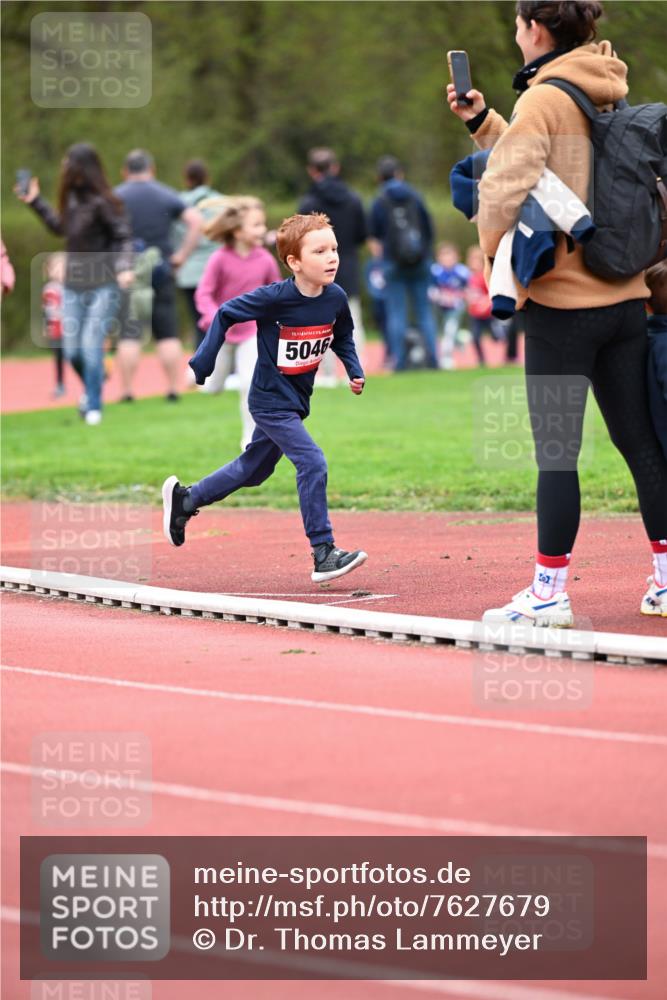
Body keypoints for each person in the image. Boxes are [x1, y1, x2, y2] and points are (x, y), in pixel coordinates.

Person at [447, 0, 667, 623]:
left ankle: (548, 593)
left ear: (535, 29)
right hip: (625, 299)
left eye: (517, 25)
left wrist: (497, 258)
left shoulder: (543, 98)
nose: (516, 34)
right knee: (641, 445)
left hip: (561, 308)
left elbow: (506, 186)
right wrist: (483, 121)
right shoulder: (608, 85)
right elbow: (560, 170)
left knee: (556, 454)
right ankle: (664, 581)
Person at [162, 213, 368, 584]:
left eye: (334, 249)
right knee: (312, 462)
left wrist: (353, 369)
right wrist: (204, 362)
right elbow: (225, 313)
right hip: (270, 401)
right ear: (294, 262)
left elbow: (343, 337)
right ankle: (323, 553)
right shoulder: (275, 299)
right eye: (319, 251)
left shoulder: (335, 298)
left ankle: (186, 501)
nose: (332, 257)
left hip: (297, 402)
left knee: (253, 470)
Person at [15, 143, 133, 425]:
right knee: (72, 352)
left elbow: (123, 237)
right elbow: (60, 228)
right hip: (72, 285)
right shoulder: (71, 200)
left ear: (83, 167)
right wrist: (35, 201)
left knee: (92, 345)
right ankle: (94, 383)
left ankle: (93, 406)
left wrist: (124, 267)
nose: (63, 167)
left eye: (68, 162)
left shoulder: (104, 202)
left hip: (104, 283)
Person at [114, 149, 202, 402]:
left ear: (125, 171)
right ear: (151, 169)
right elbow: (195, 221)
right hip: (161, 268)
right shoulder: (165, 193)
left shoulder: (116, 197)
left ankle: (127, 391)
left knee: (129, 332)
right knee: (167, 332)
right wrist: (181, 256)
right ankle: (173, 389)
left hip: (128, 270)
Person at [194, 196, 281, 449]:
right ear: (238, 230)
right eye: (256, 225)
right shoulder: (219, 259)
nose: (262, 231)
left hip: (251, 333)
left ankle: (249, 439)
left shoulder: (265, 259)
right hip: (221, 334)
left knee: (249, 383)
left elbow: (275, 293)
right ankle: (197, 372)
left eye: (263, 225)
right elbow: (204, 294)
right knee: (213, 386)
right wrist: (215, 317)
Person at [298, 147, 367, 384]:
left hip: (317, 266)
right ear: (335, 168)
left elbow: (300, 238)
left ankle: (326, 373)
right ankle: (359, 370)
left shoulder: (308, 202)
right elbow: (362, 234)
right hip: (346, 261)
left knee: (320, 319)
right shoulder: (353, 198)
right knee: (353, 317)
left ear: (311, 171)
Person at [368, 155, 438, 371]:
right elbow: (429, 228)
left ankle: (399, 362)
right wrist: (426, 254)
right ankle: (433, 360)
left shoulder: (379, 201)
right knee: (424, 311)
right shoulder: (415, 196)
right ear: (399, 173)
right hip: (420, 261)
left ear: (379, 178)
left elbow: (373, 237)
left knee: (396, 313)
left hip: (392, 263)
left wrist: (381, 262)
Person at [172, 159, 225, 353]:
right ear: (208, 178)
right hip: (219, 269)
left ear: (187, 179)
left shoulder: (177, 203)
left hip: (189, 271)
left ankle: (200, 365)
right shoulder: (222, 203)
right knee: (221, 318)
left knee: (198, 322)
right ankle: (224, 366)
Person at [429, 243, 470, 369]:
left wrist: (460, 297)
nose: (447, 259)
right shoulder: (435, 271)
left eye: (450, 256)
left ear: (456, 257)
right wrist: (437, 296)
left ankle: (447, 358)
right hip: (438, 308)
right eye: (444, 256)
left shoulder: (462, 272)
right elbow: (429, 289)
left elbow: (469, 290)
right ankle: (461, 339)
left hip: (455, 308)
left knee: (449, 331)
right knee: (438, 331)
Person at [465, 245, 505, 366]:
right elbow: (467, 293)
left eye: (476, 261)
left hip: (488, 314)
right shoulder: (468, 277)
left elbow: (492, 293)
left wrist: (486, 303)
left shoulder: (485, 276)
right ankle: (481, 360)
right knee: (475, 337)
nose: (474, 264)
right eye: (472, 260)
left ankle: (505, 356)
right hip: (475, 315)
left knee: (497, 337)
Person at [42, 253, 66, 398]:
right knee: (59, 357)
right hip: (56, 329)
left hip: (71, 329)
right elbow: (46, 309)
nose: (59, 271)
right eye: (55, 267)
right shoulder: (48, 288)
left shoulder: (72, 287)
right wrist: (46, 325)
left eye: (62, 267)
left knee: (77, 356)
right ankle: (60, 384)